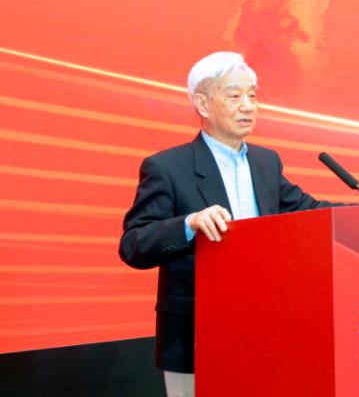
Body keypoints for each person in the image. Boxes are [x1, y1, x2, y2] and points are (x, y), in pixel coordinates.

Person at [118, 51, 343, 397]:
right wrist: (189, 224)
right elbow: (134, 243)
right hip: (196, 340)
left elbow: (308, 210)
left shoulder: (266, 162)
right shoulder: (167, 167)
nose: (248, 106)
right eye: (235, 96)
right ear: (202, 104)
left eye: (252, 96)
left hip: (265, 333)